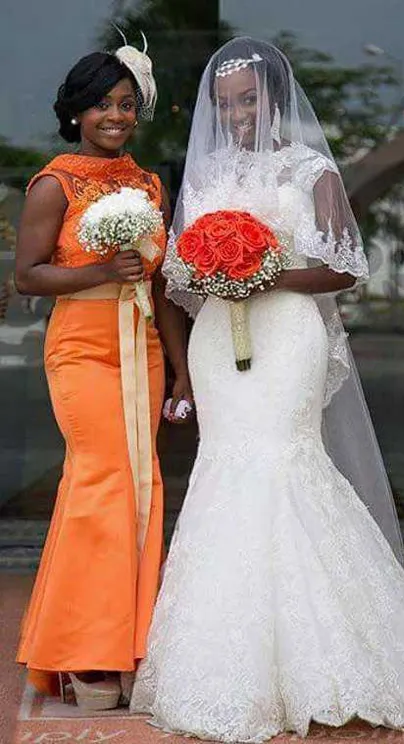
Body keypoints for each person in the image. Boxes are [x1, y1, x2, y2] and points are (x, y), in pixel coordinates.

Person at [129, 37, 404, 741]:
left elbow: (347, 268)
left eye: (248, 99)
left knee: (286, 461)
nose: (236, 114)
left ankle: (334, 654)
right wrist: (209, 274)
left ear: (275, 98)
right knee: (226, 469)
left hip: (287, 332)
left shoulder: (311, 170)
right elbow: (179, 277)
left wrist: (267, 274)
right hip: (221, 336)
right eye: (225, 104)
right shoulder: (204, 179)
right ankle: (225, 661)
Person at [14, 41, 191, 711]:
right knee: (99, 480)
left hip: (141, 342)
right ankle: (83, 652)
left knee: (140, 482)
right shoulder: (54, 182)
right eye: (100, 105)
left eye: (125, 104)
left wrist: (179, 370)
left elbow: (163, 288)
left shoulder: (148, 185)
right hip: (81, 348)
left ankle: (130, 644)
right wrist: (96, 272)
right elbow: (27, 275)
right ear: (76, 113)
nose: (114, 116)